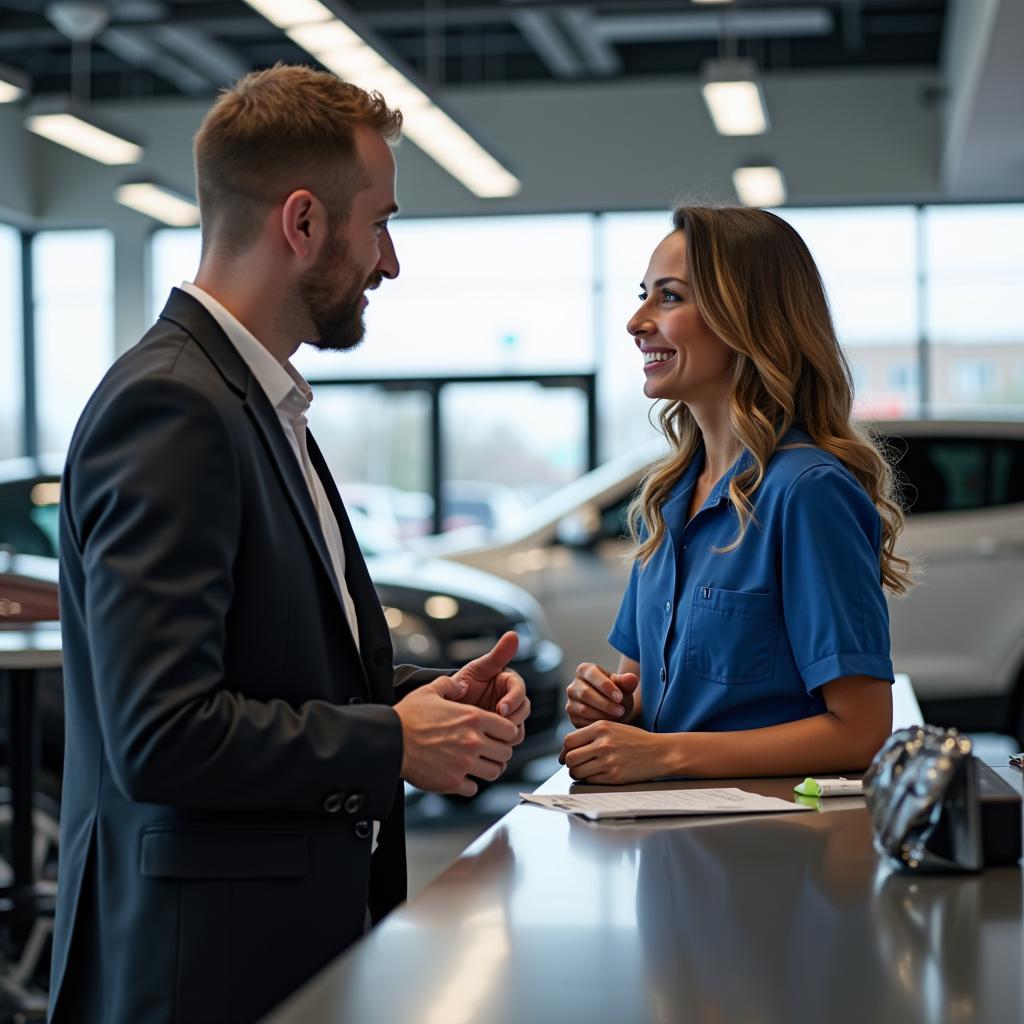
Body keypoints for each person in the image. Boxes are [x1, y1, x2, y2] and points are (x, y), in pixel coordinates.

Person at [49, 64, 530, 1023]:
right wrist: (391, 740)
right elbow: (162, 734)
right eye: (382, 223)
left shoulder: (253, 403)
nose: (389, 262)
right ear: (303, 223)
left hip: (267, 952)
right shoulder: (173, 408)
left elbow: (261, 670)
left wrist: (417, 706)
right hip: (199, 974)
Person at [561, 205, 909, 785]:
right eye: (643, 294)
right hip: (666, 847)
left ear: (744, 319)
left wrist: (665, 755)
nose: (636, 321)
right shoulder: (667, 499)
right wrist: (614, 710)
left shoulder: (806, 492)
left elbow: (861, 730)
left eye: (668, 297)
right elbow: (647, 700)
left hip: (762, 854)